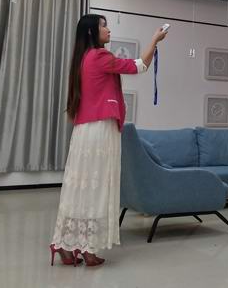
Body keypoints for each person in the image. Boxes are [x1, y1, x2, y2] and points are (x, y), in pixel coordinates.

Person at [49, 14, 167, 267]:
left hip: (84, 131)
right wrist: (155, 40)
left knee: (79, 188)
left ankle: (66, 245)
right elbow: (139, 66)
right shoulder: (100, 56)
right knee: (98, 188)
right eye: (103, 26)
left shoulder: (84, 58)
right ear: (92, 32)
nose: (108, 29)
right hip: (101, 129)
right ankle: (88, 248)